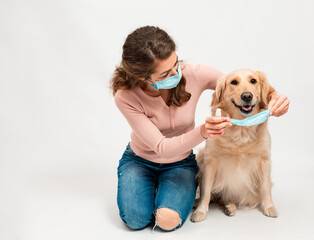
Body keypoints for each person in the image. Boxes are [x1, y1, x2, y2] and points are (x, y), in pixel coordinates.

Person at [110, 26, 290, 231]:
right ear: (143, 78)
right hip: (140, 161)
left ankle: (166, 191)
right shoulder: (125, 96)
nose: (177, 73)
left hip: (179, 164)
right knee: (136, 220)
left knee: (167, 221)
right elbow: (160, 146)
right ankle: (150, 186)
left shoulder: (193, 73)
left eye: (176, 63)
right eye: (165, 73)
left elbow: (238, 87)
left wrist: (274, 97)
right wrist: (203, 132)